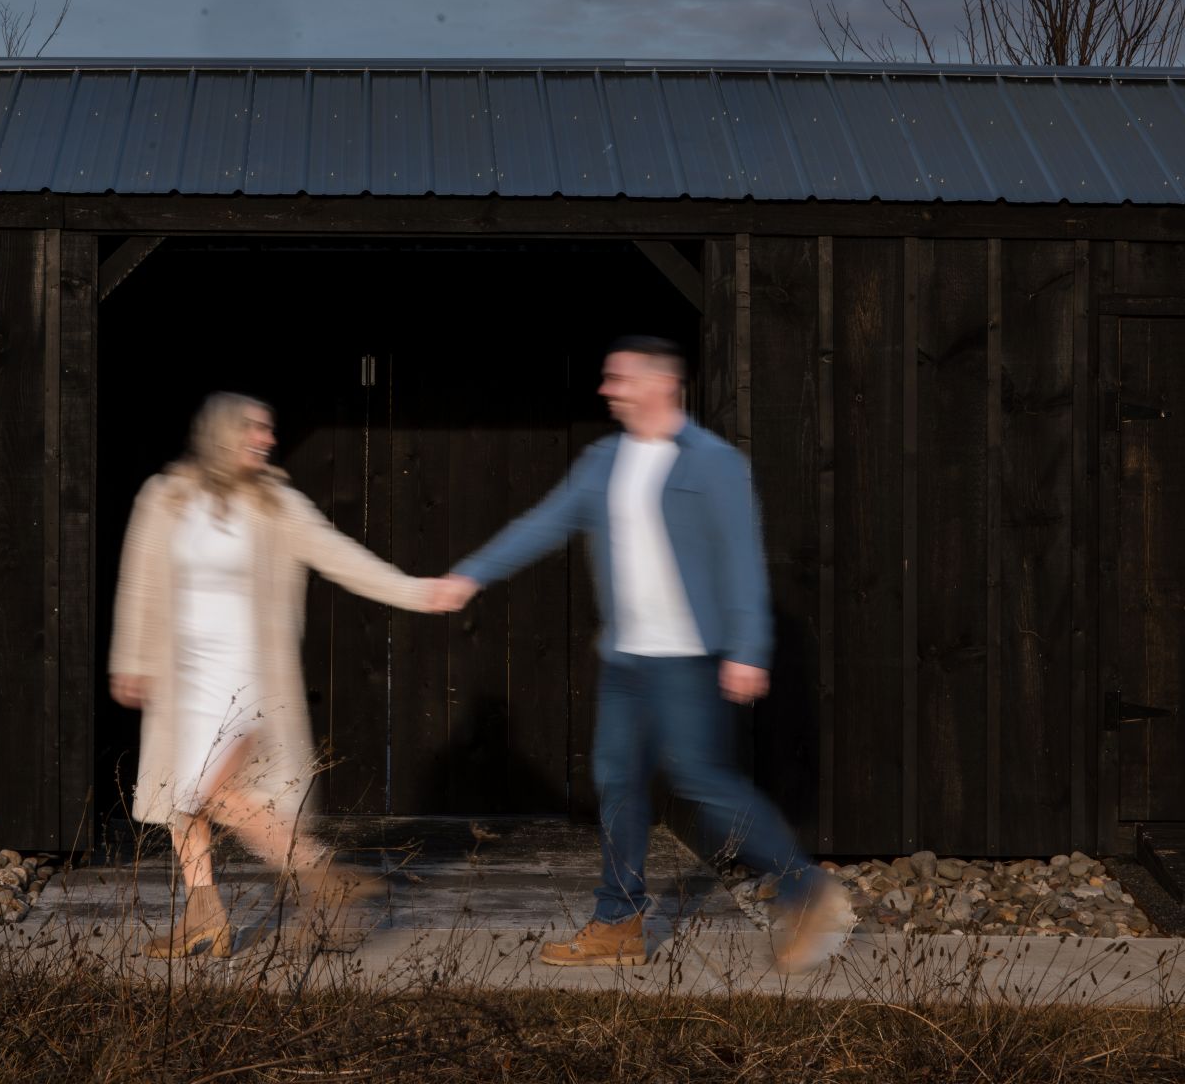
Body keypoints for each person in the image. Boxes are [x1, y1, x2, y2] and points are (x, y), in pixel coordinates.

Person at [432, 336, 850, 973]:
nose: (607, 390)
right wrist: (472, 574)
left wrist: (747, 648)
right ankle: (618, 922)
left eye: (619, 378)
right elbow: (544, 523)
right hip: (627, 662)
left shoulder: (713, 463)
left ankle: (805, 889)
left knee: (702, 782)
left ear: (660, 384)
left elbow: (742, 558)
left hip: (688, 659)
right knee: (617, 783)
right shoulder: (603, 461)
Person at [110, 392, 449, 958]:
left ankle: (321, 875)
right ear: (220, 432)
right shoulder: (165, 498)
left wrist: (418, 592)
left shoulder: (276, 504)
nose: (267, 439)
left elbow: (345, 558)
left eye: (269, 430)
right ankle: (206, 913)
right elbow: (140, 580)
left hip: (243, 677)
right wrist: (132, 658)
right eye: (255, 429)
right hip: (182, 675)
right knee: (181, 797)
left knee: (206, 789)